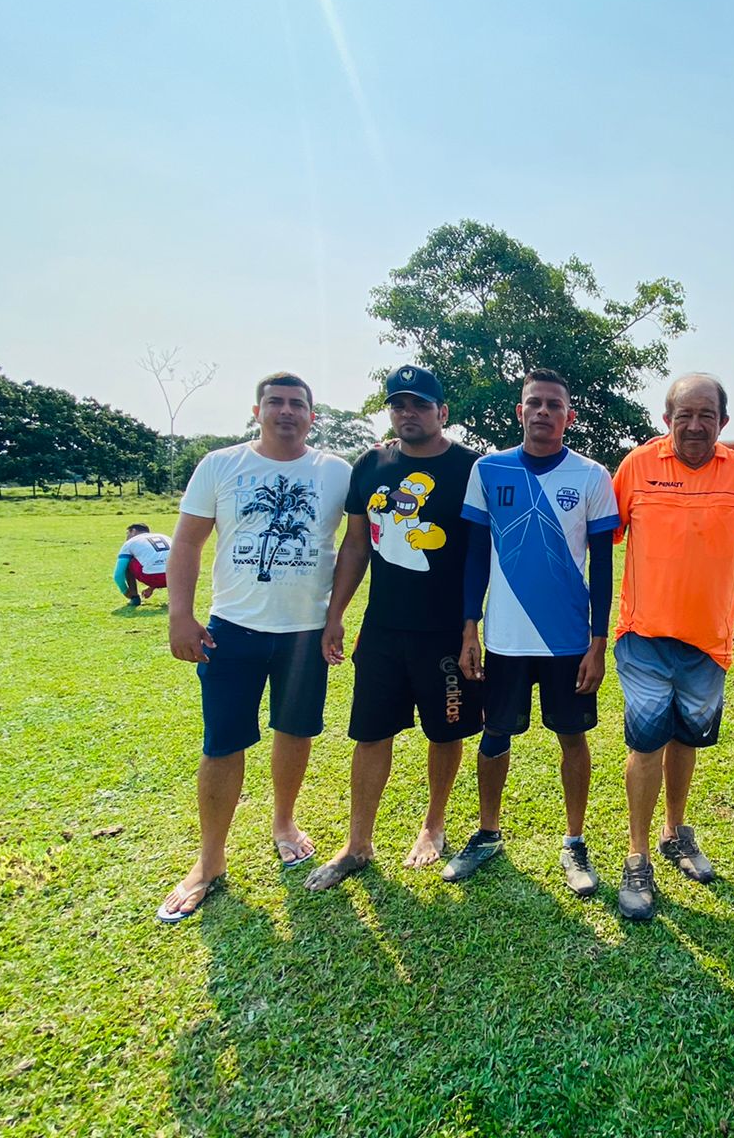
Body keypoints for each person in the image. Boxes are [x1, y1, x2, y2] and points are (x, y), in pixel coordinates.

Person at [156, 372, 352, 923]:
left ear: (312, 415)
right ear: (256, 410)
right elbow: (187, 542)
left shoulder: (336, 472)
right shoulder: (221, 465)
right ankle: (210, 859)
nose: (286, 411)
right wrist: (179, 616)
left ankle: (284, 821)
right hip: (232, 629)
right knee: (223, 742)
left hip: (305, 634)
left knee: (295, 730)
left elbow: (359, 537)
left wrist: (334, 618)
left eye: (297, 404)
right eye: (275, 402)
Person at [611, 374, 734, 920]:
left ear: (723, 422)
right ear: (666, 419)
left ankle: (675, 832)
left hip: (709, 643)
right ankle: (637, 857)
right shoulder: (637, 466)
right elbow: (603, 529)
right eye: (684, 415)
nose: (695, 426)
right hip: (644, 636)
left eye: (706, 416)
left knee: (686, 739)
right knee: (645, 745)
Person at [305, 366, 484, 891]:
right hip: (382, 630)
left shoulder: (470, 468)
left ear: (442, 412)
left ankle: (433, 824)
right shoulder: (372, 463)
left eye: (420, 405)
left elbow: (481, 552)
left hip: (445, 631)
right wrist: (336, 614)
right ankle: (357, 843)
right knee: (369, 733)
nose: (408, 413)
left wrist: (471, 628)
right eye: (399, 404)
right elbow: (356, 544)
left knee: (445, 732)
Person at [444, 369, 618, 895]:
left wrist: (598, 642)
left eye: (554, 405)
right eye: (534, 403)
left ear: (569, 416)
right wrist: (470, 629)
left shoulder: (592, 476)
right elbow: (475, 557)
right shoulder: (488, 469)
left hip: (568, 640)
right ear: (520, 412)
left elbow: (604, 567)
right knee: (495, 733)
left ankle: (574, 842)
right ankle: (488, 833)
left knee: (572, 737)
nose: (543, 412)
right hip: (504, 639)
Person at [114, 524, 171, 606]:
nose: (126, 538)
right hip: (175, 579)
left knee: (128, 562)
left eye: (127, 534)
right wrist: (151, 588)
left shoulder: (130, 542)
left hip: (151, 577)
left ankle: (134, 597)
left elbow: (118, 575)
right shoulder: (164, 537)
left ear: (133, 531)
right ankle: (174, 598)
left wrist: (126, 592)